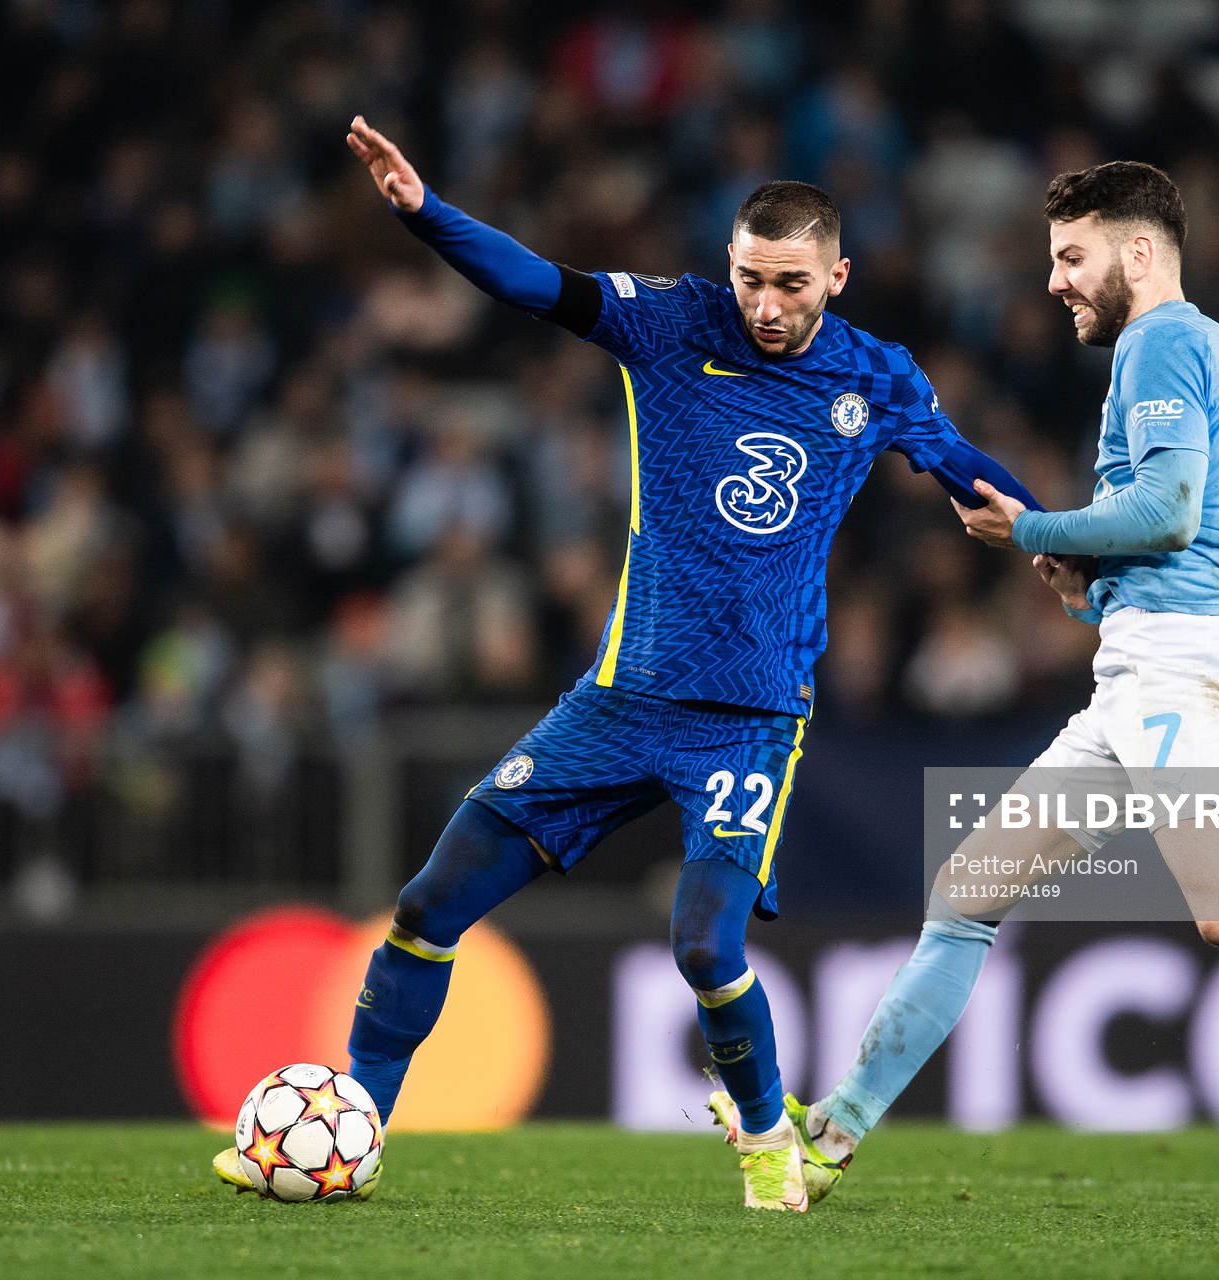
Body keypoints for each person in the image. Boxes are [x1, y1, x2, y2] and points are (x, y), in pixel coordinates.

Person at [217, 116, 1042, 1212]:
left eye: (791, 283)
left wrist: (1056, 545)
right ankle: (356, 1123)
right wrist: (425, 215)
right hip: (618, 701)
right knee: (427, 902)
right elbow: (536, 284)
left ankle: (764, 1144)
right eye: (750, 277)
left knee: (704, 944)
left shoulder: (877, 377)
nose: (764, 304)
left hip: (749, 718)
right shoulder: (671, 321)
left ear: (836, 275)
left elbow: (969, 469)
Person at [710, 161, 1219, 1201]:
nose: (1057, 280)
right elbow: (1184, 539)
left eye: (1073, 256)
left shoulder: (1161, 340)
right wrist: (1087, 588)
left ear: (1139, 252)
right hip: (1150, 662)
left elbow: (1169, 512)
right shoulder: (1214, 349)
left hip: (1179, 666)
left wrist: (1034, 527)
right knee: (967, 896)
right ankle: (832, 1132)